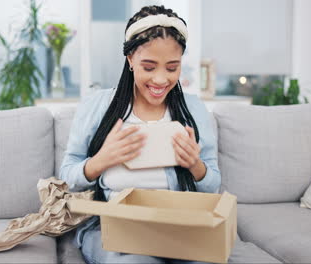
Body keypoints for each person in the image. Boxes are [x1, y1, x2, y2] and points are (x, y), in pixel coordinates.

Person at [59, 5, 221, 264]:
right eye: (149, 67)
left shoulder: (193, 110)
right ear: (131, 59)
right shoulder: (98, 106)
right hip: (113, 229)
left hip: (175, 228)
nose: (160, 80)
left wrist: (196, 166)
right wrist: (101, 160)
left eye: (171, 68)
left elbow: (213, 185)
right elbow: (66, 178)